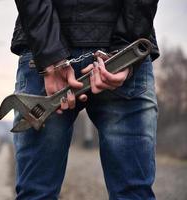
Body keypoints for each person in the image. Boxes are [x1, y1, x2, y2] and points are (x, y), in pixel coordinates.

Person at [10, 0, 159, 199]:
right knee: (133, 194)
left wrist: (49, 52)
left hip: (43, 54)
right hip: (122, 46)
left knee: (36, 194)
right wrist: (126, 47)